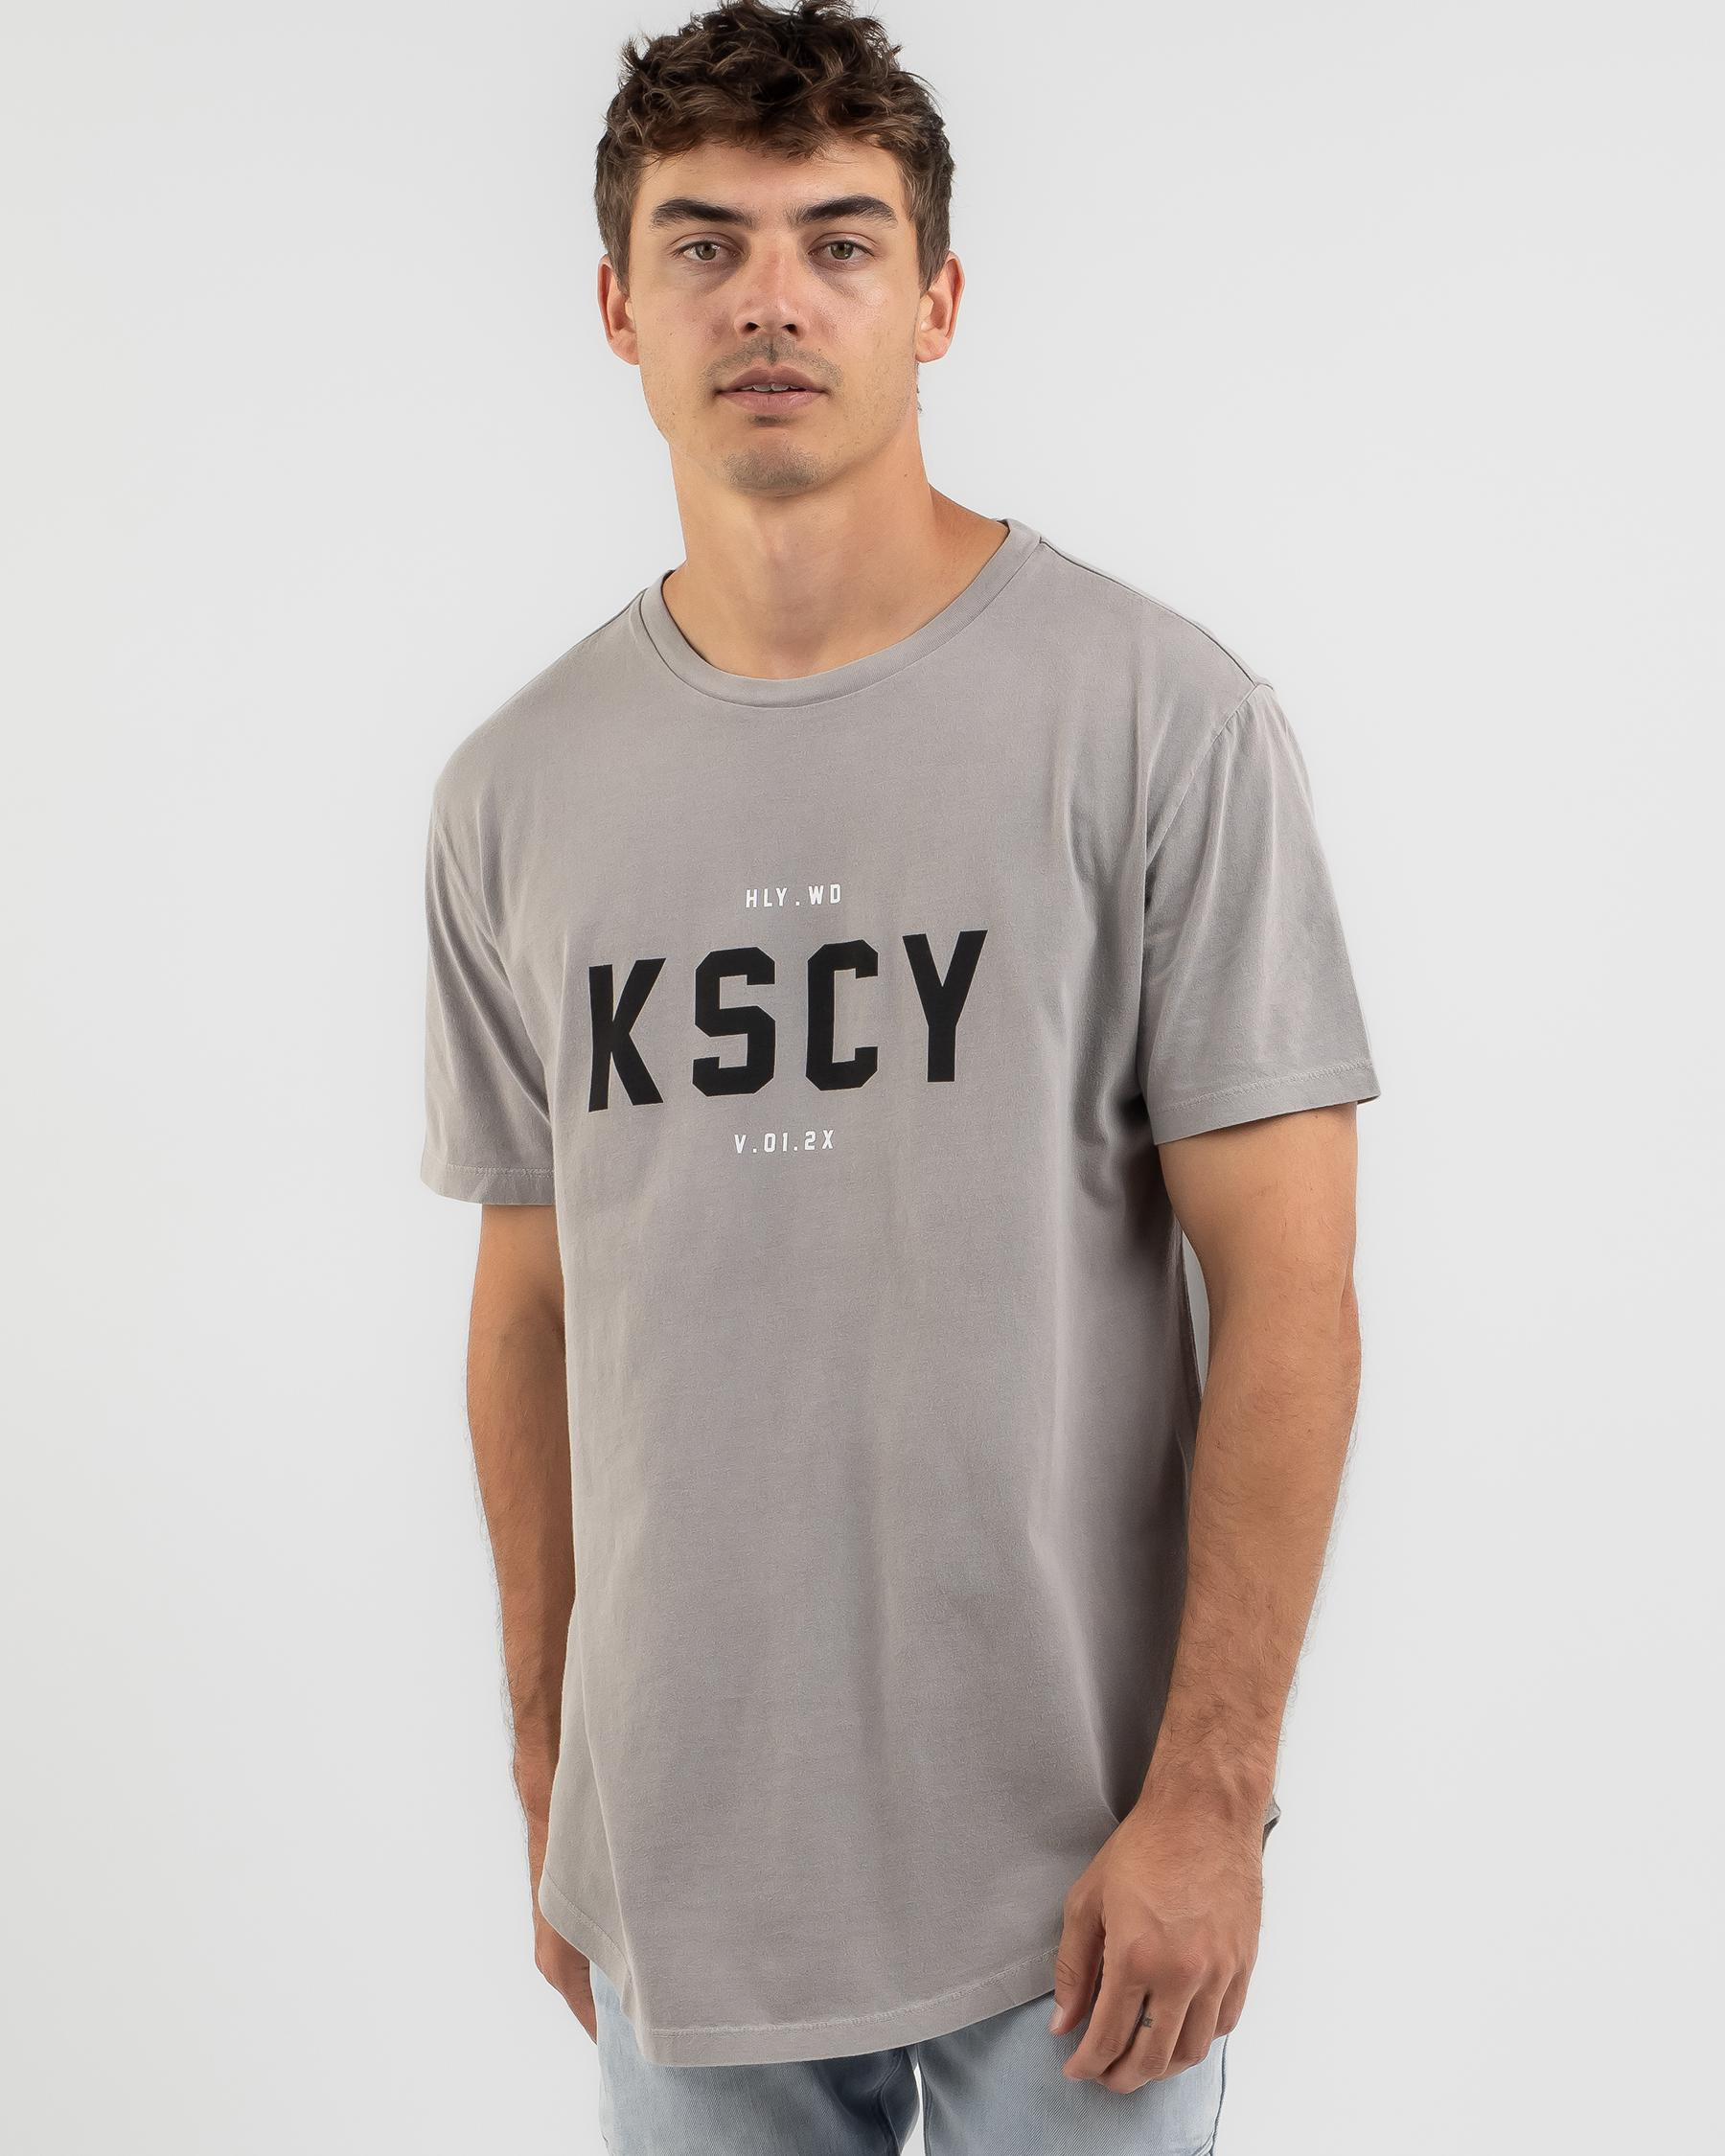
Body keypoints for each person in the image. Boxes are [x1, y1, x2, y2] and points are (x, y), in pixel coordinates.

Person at [417, 2, 1379, 2147]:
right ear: (617, 307)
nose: (771, 298)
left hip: (1085, 1884)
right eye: (705, 244)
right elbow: (531, 1300)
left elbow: (1291, 1293)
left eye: (840, 243)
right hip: (688, 1862)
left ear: (937, 301)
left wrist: (1213, 1802)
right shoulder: (515, 789)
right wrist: (551, 1763)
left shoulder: (1160, 720)